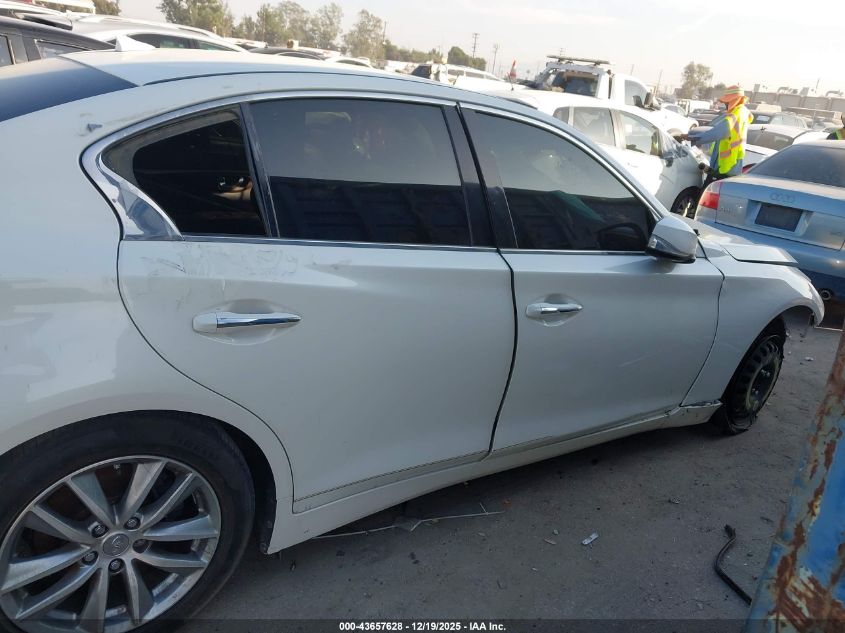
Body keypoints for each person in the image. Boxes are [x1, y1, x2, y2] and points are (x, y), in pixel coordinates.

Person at [687, 85, 753, 186]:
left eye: (727, 101)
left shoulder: (736, 114)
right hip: (732, 166)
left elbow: (717, 133)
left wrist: (691, 138)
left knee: (706, 198)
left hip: (725, 168)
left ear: (735, 100)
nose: (725, 104)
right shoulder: (743, 112)